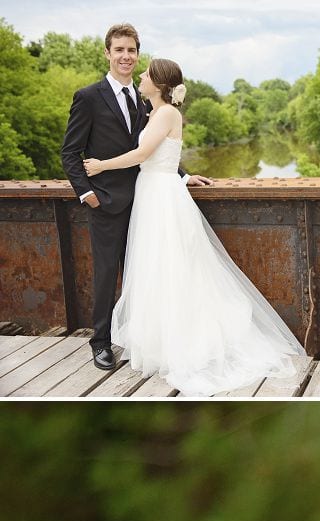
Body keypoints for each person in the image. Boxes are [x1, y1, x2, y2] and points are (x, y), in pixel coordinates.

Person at [76, 57, 305, 395]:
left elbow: (141, 155)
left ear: (160, 83)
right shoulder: (154, 111)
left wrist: (100, 166)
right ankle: (160, 339)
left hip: (160, 196)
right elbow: (159, 153)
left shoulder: (166, 112)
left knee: (172, 267)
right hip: (155, 191)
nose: (140, 75)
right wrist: (183, 173)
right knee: (159, 268)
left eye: (147, 73)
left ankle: (182, 342)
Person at [60, 23, 214, 373]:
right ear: (108, 53)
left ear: (137, 53)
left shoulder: (146, 101)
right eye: (119, 50)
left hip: (148, 202)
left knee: (146, 273)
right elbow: (70, 153)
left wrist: (184, 175)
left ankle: (140, 339)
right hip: (106, 201)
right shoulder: (88, 97)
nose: (126, 57)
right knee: (105, 274)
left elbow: (151, 149)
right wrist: (87, 193)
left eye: (131, 51)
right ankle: (100, 343)